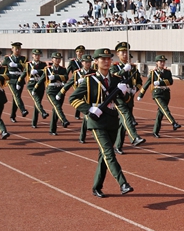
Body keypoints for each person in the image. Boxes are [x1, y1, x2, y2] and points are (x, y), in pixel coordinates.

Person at [69, 48, 134, 198]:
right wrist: (89, 109)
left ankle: (97, 187)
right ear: (96, 61)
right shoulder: (89, 80)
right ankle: (123, 183)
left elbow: (124, 100)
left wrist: (125, 92)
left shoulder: (116, 79)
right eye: (103, 59)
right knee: (109, 153)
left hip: (112, 119)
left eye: (108, 59)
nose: (106, 61)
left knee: (104, 156)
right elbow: (73, 98)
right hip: (97, 121)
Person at [110, 42, 146, 154]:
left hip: (129, 97)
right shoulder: (114, 66)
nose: (125, 54)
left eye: (126, 52)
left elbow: (139, 81)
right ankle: (134, 137)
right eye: (122, 52)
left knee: (123, 122)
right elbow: (112, 76)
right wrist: (124, 70)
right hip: (118, 97)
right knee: (126, 116)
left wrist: (135, 89)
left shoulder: (133, 68)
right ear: (118, 54)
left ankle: (117, 146)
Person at [139, 55, 180, 137]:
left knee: (160, 113)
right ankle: (173, 123)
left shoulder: (167, 72)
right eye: (160, 61)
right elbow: (147, 84)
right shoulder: (153, 73)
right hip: (157, 93)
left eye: (163, 61)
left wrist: (160, 82)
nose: (162, 63)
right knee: (165, 109)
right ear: (156, 63)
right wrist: (141, 94)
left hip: (166, 93)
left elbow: (171, 82)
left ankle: (155, 131)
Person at [60, 54, 93, 143]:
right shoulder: (77, 73)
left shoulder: (94, 72)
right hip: (81, 98)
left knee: (87, 117)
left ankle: (82, 137)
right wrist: (61, 92)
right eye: (86, 62)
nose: (88, 64)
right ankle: (92, 133)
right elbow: (69, 83)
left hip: (91, 97)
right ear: (82, 63)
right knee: (88, 116)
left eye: (89, 62)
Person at [41, 52, 70, 136]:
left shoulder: (63, 69)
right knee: (57, 106)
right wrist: (35, 88)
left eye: (59, 59)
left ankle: (52, 129)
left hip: (60, 91)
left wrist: (56, 77)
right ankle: (64, 120)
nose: (58, 60)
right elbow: (42, 79)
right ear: (52, 59)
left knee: (56, 109)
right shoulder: (48, 69)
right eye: (56, 58)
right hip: (51, 91)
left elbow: (66, 77)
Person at [3, 42, 29, 122]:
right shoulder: (7, 59)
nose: (17, 50)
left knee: (16, 98)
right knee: (16, 95)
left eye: (19, 49)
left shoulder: (24, 58)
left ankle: (12, 116)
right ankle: (23, 110)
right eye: (16, 49)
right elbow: (3, 69)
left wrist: (17, 65)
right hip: (11, 79)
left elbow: (27, 67)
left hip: (20, 79)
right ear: (12, 49)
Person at [26, 49, 49, 128]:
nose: (37, 56)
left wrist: (37, 71)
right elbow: (24, 73)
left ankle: (34, 122)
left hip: (40, 85)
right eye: (35, 55)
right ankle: (43, 112)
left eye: (38, 55)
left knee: (37, 103)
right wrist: (18, 82)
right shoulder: (28, 64)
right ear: (32, 55)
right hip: (32, 85)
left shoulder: (43, 64)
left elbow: (46, 72)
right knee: (37, 101)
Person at [67, 45, 86, 120]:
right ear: (76, 52)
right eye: (79, 52)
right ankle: (78, 114)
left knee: (84, 97)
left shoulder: (85, 61)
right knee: (79, 96)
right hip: (76, 82)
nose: (80, 53)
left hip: (85, 81)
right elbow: (67, 71)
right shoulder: (73, 62)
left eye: (82, 52)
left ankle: (82, 113)